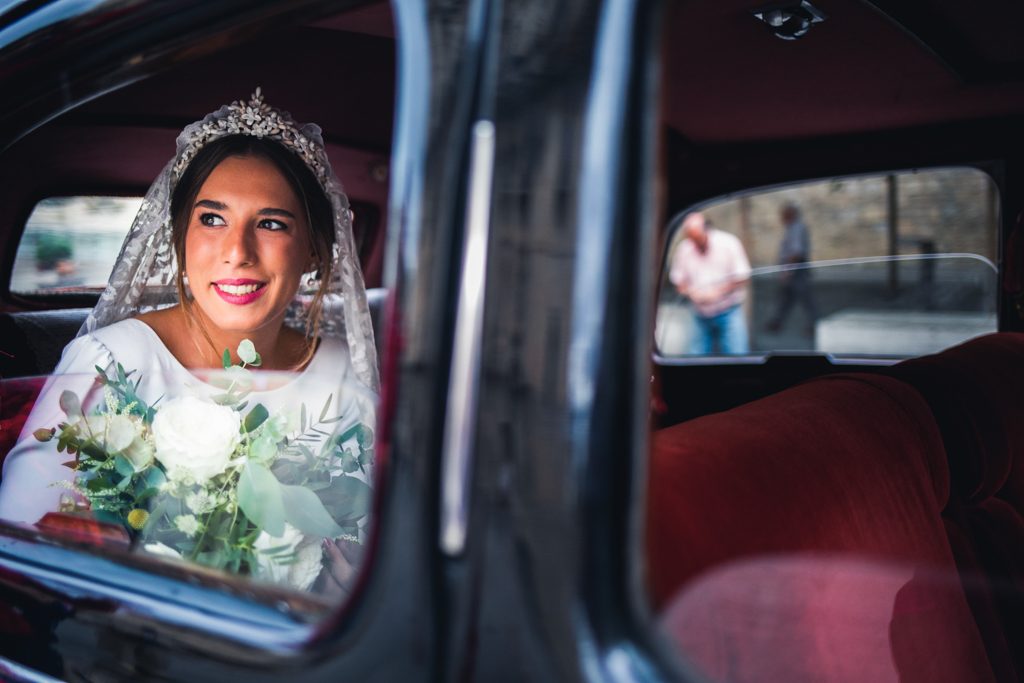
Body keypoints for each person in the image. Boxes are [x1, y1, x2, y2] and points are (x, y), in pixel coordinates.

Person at [0, 90, 378, 597]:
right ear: (179, 236)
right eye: (212, 219)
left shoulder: (348, 374)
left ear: (312, 248)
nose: (237, 253)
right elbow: (27, 547)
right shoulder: (112, 362)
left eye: (270, 224)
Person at [668, 211, 751, 354]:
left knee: (737, 356)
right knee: (695, 359)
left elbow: (743, 277)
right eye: (691, 239)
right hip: (699, 314)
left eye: (698, 238)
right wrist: (691, 293)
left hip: (728, 310)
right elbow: (678, 281)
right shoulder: (684, 249)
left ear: (706, 230)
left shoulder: (729, 243)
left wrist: (717, 292)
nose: (695, 243)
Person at [767, 201, 817, 333]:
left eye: (783, 215)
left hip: (796, 270)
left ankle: (813, 325)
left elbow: (796, 252)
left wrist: (787, 271)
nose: (781, 218)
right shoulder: (792, 228)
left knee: (804, 298)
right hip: (794, 269)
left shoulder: (796, 228)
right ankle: (776, 322)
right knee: (787, 299)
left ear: (790, 215)